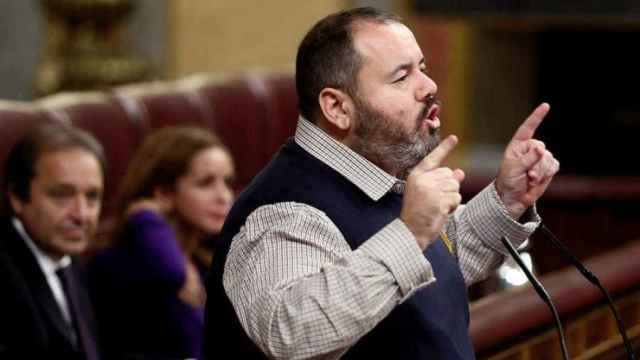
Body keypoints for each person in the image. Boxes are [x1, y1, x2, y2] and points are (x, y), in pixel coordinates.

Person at [204, 7, 560, 360]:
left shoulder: (375, 175)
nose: (429, 87)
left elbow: (431, 271)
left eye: (422, 68)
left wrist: (507, 200)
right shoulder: (285, 211)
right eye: (401, 77)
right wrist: (411, 233)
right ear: (337, 108)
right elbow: (292, 333)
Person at [89, 126, 235, 359]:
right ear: (164, 193)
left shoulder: (206, 263)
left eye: (227, 182)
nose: (224, 196)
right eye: (206, 183)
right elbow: (172, 273)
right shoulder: (126, 265)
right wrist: (144, 216)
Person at [0, 124, 104, 359]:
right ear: (17, 197)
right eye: (62, 195)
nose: (82, 215)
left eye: (92, 197)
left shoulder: (68, 257)